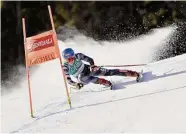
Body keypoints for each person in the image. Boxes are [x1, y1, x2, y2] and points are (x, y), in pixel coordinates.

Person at [62, 48, 140, 90]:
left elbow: (89, 59)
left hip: (87, 69)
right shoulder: (65, 66)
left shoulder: (77, 56)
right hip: (81, 78)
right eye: (68, 59)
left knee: (109, 72)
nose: (71, 61)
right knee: (83, 78)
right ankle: (104, 82)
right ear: (65, 59)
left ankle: (133, 73)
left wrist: (92, 66)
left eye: (72, 58)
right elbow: (68, 80)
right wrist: (76, 84)